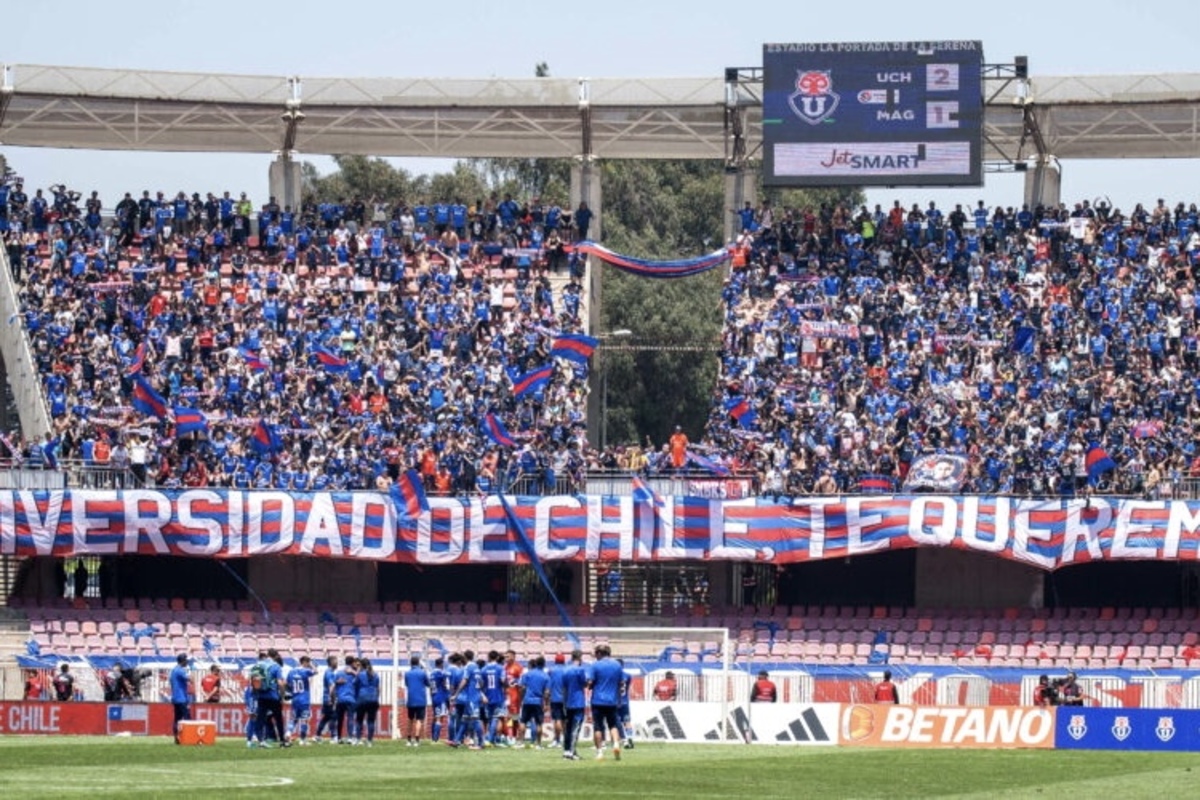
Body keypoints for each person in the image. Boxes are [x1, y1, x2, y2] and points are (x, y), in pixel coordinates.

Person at [588, 644, 625, 761]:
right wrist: (618, 697)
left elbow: (590, 682)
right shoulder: (617, 665)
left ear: (599, 653)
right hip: (612, 700)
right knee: (613, 725)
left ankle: (599, 752)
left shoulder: (595, 665)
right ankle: (616, 744)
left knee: (598, 727)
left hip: (597, 700)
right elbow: (621, 683)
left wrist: (590, 686)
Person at [255, 649, 289, 747]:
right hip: (273, 696)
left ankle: (261, 741)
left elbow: (253, 679)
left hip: (261, 695)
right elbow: (280, 683)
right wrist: (282, 695)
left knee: (261, 719)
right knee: (278, 719)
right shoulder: (276, 666)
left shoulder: (259, 664)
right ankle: (282, 741)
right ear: (276, 656)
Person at [518, 656, 550, 748]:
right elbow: (547, 692)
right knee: (539, 723)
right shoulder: (546, 676)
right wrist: (547, 704)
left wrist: (522, 698)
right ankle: (538, 744)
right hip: (538, 701)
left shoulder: (527, 674)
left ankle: (521, 742)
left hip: (527, 700)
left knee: (523, 721)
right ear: (544, 664)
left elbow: (522, 688)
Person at [561, 650, 587, 761]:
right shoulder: (580, 670)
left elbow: (564, 686)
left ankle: (566, 750)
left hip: (568, 701)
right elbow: (584, 683)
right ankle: (572, 751)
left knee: (568, 727)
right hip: (578, 701)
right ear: (580, 658)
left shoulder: (565, 670)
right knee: (576, 728)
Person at [287, 655, 315, 745]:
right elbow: (316, 671)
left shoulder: (291, 672)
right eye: (308, 662)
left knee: (294, 719)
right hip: (304, 699)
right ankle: (302, 740)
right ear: (305, 662)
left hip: (295, 699)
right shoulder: (305, 671)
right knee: (304, 719)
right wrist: (312, 665)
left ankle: (288, 733)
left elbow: (288, 684)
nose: (309, 664)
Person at [404, 655, 431, 746]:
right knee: (419, 719)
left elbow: (407, 684)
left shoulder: (407, 673)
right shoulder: (422, 673)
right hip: (421, 699)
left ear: (411, 663)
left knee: (410, 719)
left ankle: (408, 740)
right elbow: (428, 684)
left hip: (411, 699)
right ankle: (417, 739)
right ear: (419, 663)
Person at [481, 651, 507, 746]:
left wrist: (483, 695)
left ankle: (488, 738)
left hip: (487, 696)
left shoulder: (483, 669)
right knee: (496, 718)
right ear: (497, 658)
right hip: (498, 696)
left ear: (488, 657)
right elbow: (503, 680)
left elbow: (480, 684)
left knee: (489, 719)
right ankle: (493, 739)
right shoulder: (500, 668)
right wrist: (506, 685)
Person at [354, 658, 381, 747]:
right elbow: (378, 688)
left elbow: (355, 684)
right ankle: (369, 741)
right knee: (371, 721)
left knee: (359, 720)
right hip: (373, 699)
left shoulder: (360, 675)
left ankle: (358, 739)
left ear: (362, 665)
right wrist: (376, 698)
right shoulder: (375, 675)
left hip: (362, 698)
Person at [333, 656, 359, 744]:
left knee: (340, 719)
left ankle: (339, 738)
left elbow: (334, 684)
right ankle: (350, 738)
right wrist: (354, 672)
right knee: (350, 718)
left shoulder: (339, 673)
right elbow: (360, 680)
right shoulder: (353, 674)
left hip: (340, 699)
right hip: (351, 699)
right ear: (352, 663)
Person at [314, 655, 339, 742]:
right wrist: (332, 699)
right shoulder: (329, 673)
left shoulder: (330, 672)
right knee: (333, 717)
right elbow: (331, 686)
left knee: (326, 717)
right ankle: (334, 736)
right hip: (329, 698)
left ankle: (317, 735)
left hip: (327, 698)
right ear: (331, 662)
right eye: (335, 661)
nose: (337, 663)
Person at [169, 653, 192, 744]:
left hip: (176, 697)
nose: (187, 662)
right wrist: (191, 670)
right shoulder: (180, 670)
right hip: (182, 698)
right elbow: (190, 679)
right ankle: (188, 737)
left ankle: (176, 737)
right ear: (183, 661)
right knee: (187, 718)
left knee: (177, 719)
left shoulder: (174, 670)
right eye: (186, 660)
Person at [547, 653, 567, 747]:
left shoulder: (551, 670)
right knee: (565, 720)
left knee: (557, 719)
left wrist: (546, 699)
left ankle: (557, 740)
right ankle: (566, 740)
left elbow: (548, 686)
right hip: (566, 698)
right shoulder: (567, 670)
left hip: (555, 698)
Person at [430, 656, 451, 744]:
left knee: (435, 717)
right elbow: (446, 683)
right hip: (440, 697)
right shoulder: (440, 673)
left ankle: (433, 738)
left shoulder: (431, 673)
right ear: (441, 664)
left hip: (434, 697)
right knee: (439, 718)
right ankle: (435, 740)